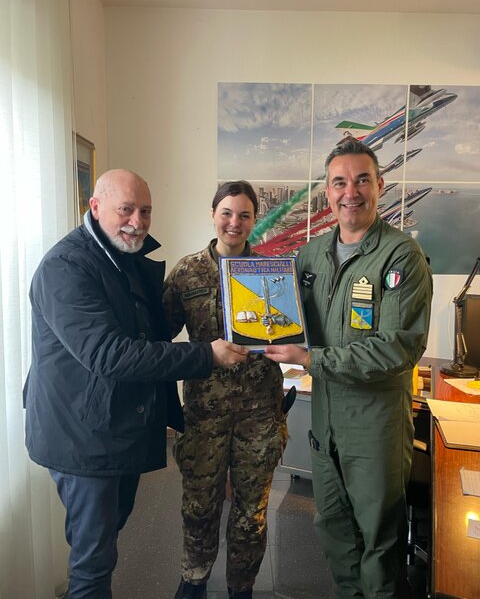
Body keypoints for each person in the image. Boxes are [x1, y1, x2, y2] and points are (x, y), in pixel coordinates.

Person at [23, 169, 248, 599]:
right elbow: (108, 354)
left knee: (105, 540)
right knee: (93, 561)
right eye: (126, 209)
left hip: (111, 429)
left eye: (145, 211)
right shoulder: (65, 267)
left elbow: (148, 330)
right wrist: (205, 355)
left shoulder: (120, 257)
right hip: (81, 437)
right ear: (95, 207)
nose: (137, 221)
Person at [264, 138, 433, 599]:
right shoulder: (311, 255)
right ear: (328, 191)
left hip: (375, 426)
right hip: (326, 421)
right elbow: (284, 318)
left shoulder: (401, 256)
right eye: (340, 182)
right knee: (334, 529)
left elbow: (396, 349)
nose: (350, 192)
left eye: (361, 180)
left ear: (380, 185)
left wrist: (310, 359)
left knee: (379, 540)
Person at [162, 181, 288, 599]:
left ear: (254, 220)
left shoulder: (272, 273)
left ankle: (241, 587)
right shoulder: (187, 273)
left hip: (260, 415)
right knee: (199, 506)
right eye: (227, 213)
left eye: (245, 215)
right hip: (205, 416)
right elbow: (161, 339)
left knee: (251, 513)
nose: (235, 223)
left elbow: (290, 330)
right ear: (213, 214)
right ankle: (194, 579)